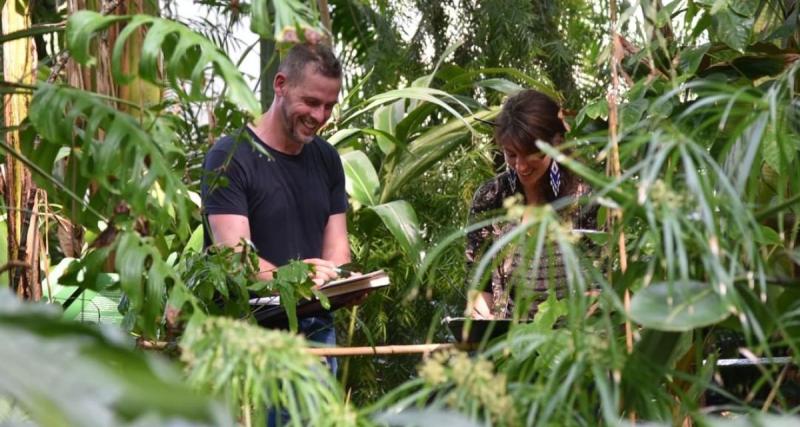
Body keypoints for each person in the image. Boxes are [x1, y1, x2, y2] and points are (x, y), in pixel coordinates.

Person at [201, 43, 349, 372]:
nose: (319, 116)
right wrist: (296, 277)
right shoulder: (229, 156)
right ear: (280, 85)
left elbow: (338, 250)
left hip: (316, 331)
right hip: (249, 331)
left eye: (328, 106)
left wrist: (346, 284)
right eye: (311, 102)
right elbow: (234, 261)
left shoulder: (327, 159)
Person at [465, 89, 597, 320]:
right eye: (512, 155)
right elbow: (479, 284)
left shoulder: (586, 198)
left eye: (532, 154)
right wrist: (483, 320)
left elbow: (600, 285)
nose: (522, 166)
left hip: (577, 339)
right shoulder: (492, 198)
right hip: (508, 343)